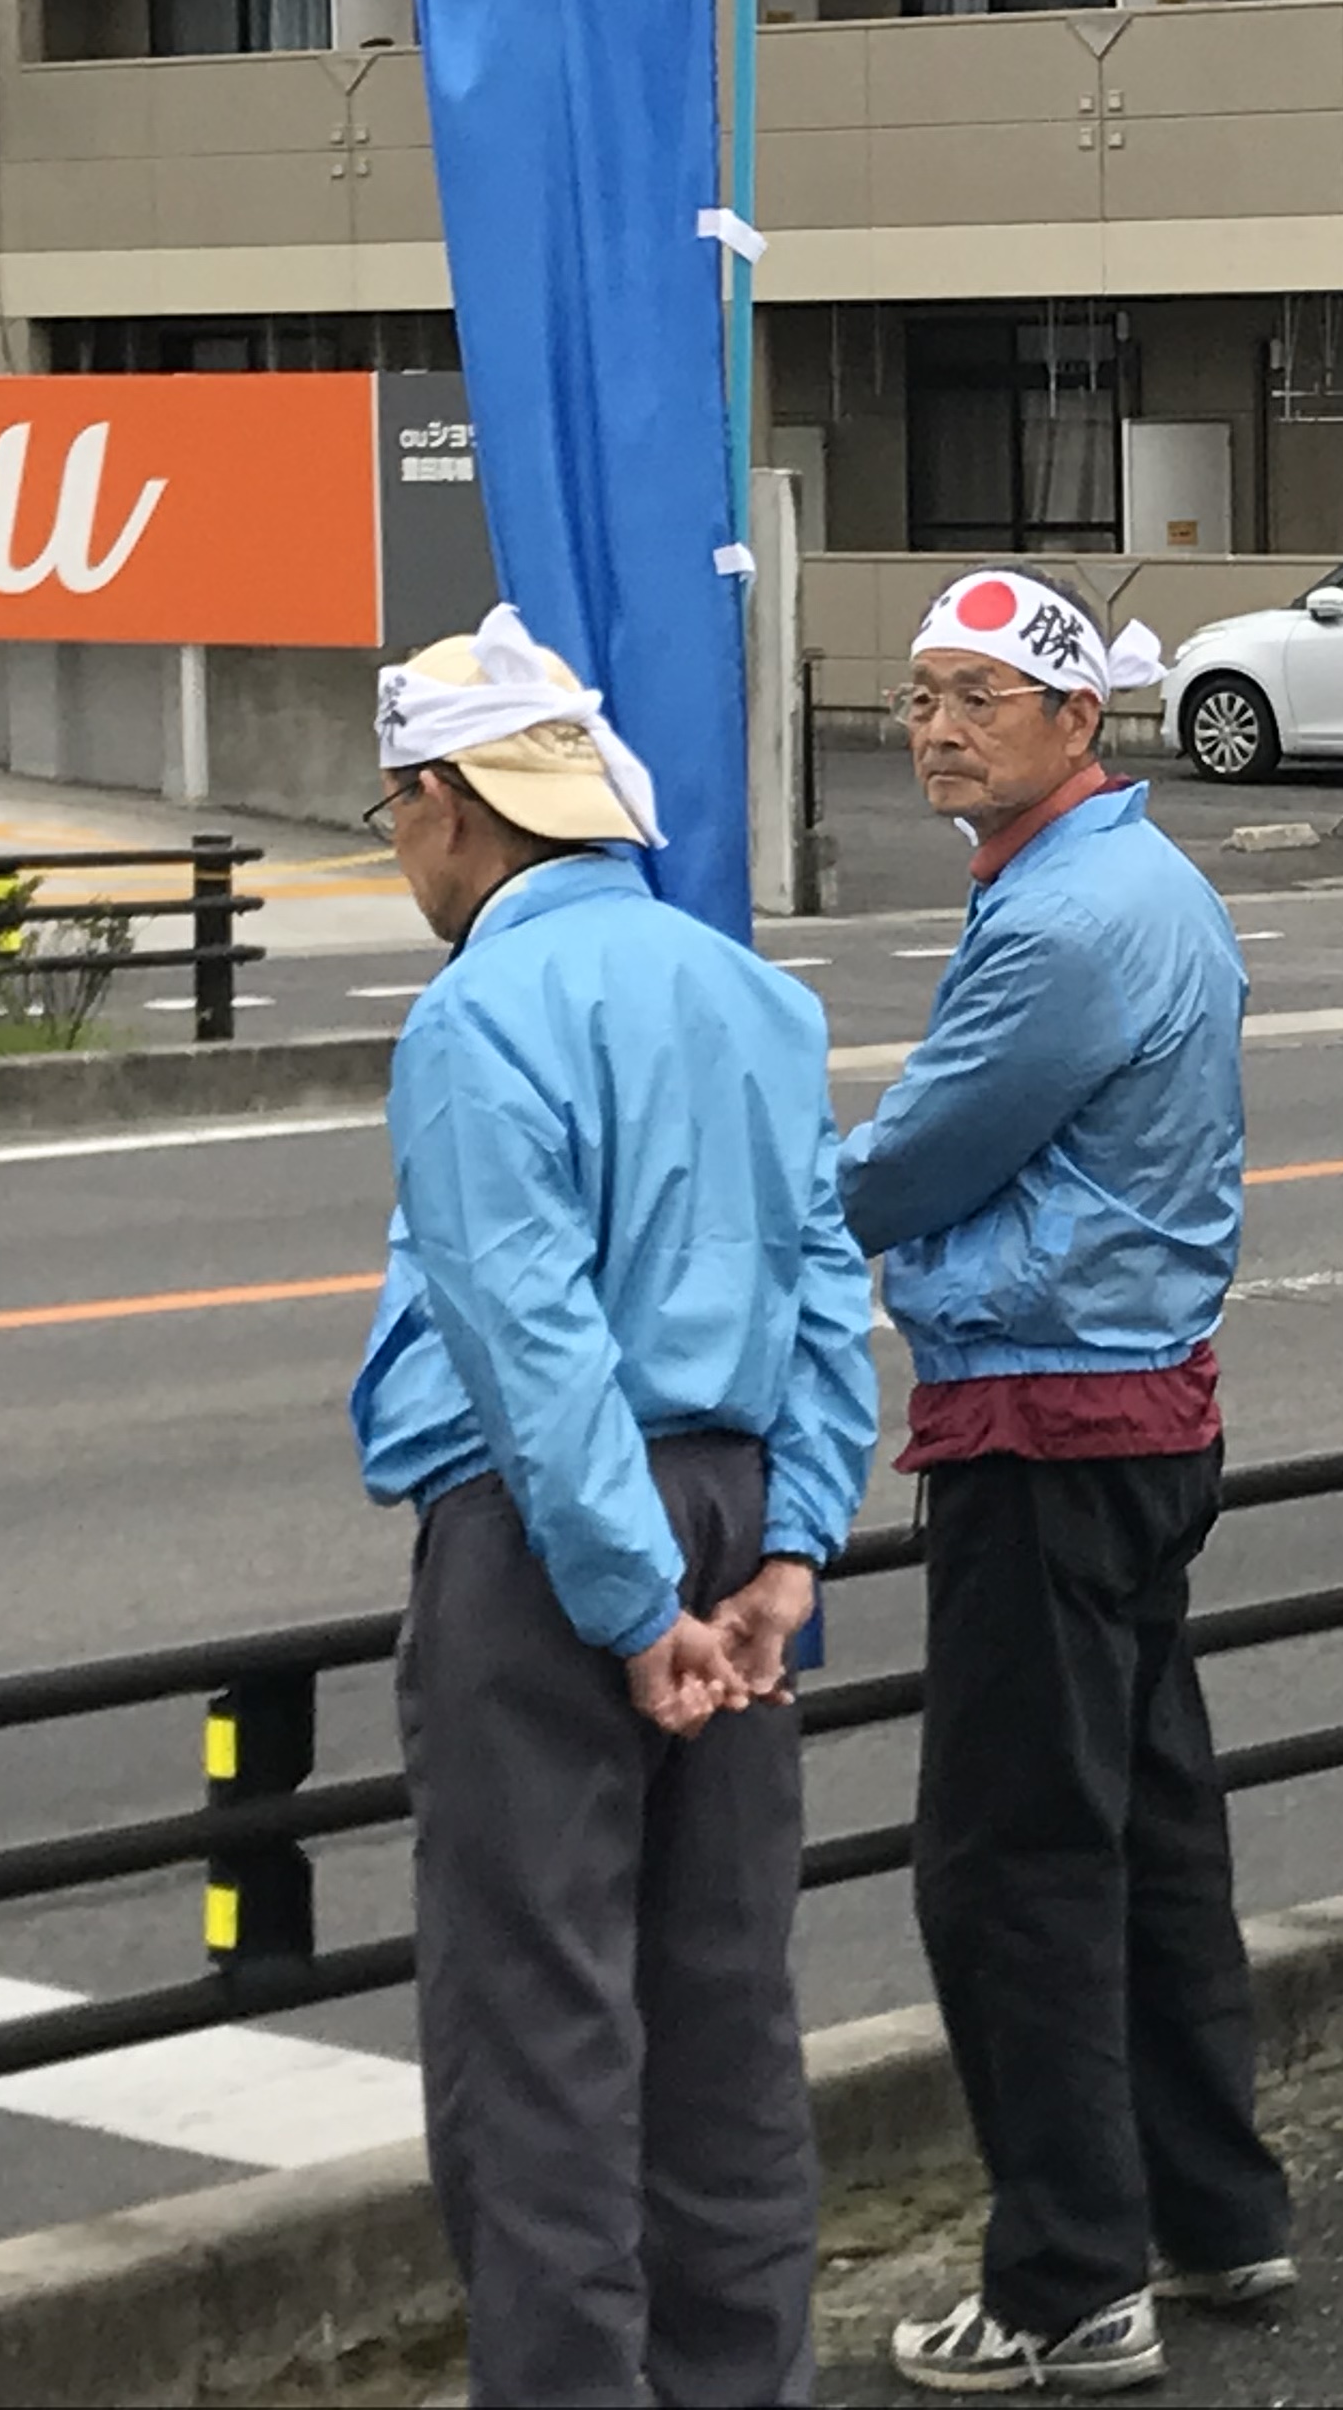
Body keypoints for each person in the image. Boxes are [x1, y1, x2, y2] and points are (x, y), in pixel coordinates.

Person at [348, 605, 879, 2409]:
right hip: (740, 1499)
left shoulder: (475, 1015)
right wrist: (791, 1548)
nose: (401, 849)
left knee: (542, 2024)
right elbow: (823, 1286)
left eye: (396, 810)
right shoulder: (753, 995)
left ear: (450, 802)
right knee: (727, 1999)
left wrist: (632, 1600)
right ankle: (745, 2377)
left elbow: (527, 1330)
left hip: (549, 1537)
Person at [839, 570, 1292, 2397]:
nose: (937, 729)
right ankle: (1213, 2204)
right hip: (1144, 1408)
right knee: (1152, 1827)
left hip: (1042, 1410)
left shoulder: (1061, 919)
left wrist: (777, 1203)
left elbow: (913, 1161)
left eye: (978, 698)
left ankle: (1066, 2280)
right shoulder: (1138, 881)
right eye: (919, 695)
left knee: (1008, 1857)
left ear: (1074, 717)